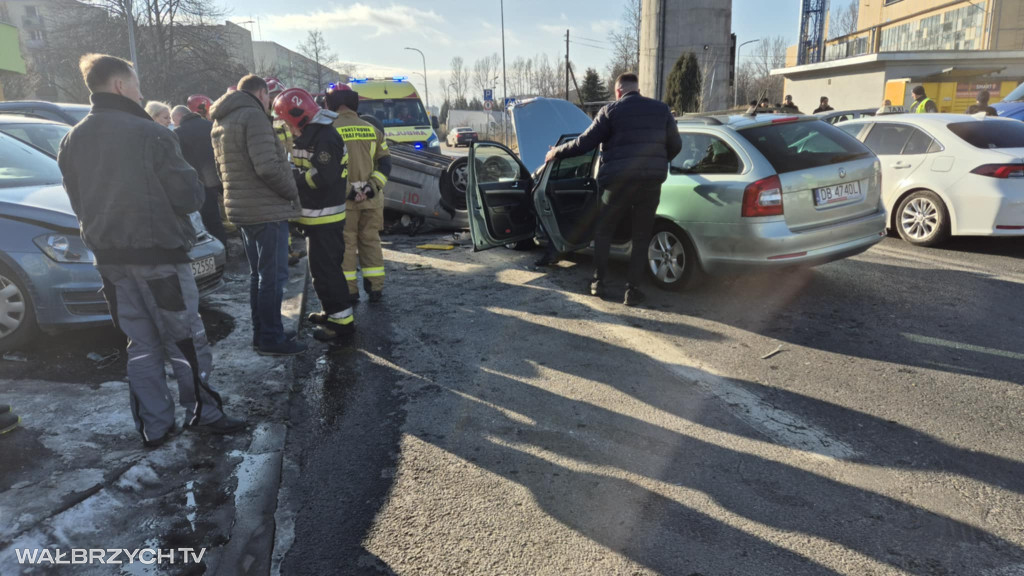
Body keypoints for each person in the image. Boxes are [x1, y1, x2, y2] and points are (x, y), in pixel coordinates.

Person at [58, 54, 244, 447]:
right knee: (185, 340)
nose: (141, 91)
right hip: (159, 258)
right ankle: (204, 412)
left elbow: (77, 201)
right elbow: (189, 196)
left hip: (110, 262)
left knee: (139, 344)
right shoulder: (153, 134)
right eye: (136, 83)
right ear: (120, 85)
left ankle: (155, 426)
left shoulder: (72, 139)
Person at [544, 72, 682, 307]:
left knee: (604, 231)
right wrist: (656, 164)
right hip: (650, 184)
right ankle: (633, 291)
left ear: (618, 91)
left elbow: (584, 143)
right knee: (641, 237)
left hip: (617, 183)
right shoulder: (661, 110)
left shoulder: (610, 111)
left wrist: (556, 152)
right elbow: (676, 145)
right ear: (638, 89)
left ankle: (599, 283)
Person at [210, 74, 305, 356]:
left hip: (242, 208)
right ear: (261, 93)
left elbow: (219, 169)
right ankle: (271, 338)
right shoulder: (253, 117)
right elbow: (268, 167)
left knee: (259, 276)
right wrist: (291, 191)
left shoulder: (221, 120)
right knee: (272, 278)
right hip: (266, 209)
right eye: (269, 97)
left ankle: (262, 333)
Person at [274, 88, 356, 341]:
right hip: (316, 216)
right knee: (320, 271)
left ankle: (341, 324)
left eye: (287, 121)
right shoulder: (311, 134)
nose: (287, 127)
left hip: (325, 217)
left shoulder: (324, 138)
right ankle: (331, 312)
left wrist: (292, 179)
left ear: (300, 115)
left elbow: (323, 176)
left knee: (328, 271)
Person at [326, 84, 392, 304]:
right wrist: (371, 188)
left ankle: (350, 292)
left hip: (344, 203)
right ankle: (376, 288)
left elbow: (330, 171)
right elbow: (385, 165)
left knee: (346, 246)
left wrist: (351, 192)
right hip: (372, 201)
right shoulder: (373, 130)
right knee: (371, 242)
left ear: (331, 104)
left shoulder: (329, 130)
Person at [171, 104, 227, 246]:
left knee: (212, 219)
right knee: (234, 212)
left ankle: (222, 249)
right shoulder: (210, 125)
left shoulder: (178, 133)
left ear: (179, 117)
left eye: (173, 120)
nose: (172, 123)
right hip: (224, 174)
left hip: (202, 180)